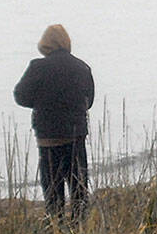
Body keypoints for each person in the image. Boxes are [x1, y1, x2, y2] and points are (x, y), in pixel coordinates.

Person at [13, 24, 95, 219]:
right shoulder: (82, 67)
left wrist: (41, 102)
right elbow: (89, 101)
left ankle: (56, 231)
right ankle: (80, 229)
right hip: (76, 136)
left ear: (45, 44)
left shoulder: (37, 67)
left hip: (48, 138)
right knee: (79, 189)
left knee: (52, 191)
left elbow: (20, 96)